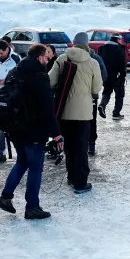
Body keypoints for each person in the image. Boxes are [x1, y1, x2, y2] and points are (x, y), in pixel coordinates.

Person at [0, 44, 62, 220]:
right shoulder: (40, 77)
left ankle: (6, 197)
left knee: (22, 162)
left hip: (15, 128)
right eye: (47, 58)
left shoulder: (15, 72)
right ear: (40, 57)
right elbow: (49, 109)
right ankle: (32, 207)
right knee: (35, 168)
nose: (48, 61)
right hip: (34, 130)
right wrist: (57, 134)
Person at [49, 32, 103, 194]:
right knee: (80, 148)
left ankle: (71, 177)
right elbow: (96, 88)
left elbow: (50, 81)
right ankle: (80, 183)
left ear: (73, 43)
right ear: (87, 45)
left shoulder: (62, 59)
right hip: (84, 113)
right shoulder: (93, 62)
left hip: (64, 111)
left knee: (69, 146)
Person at [0, 39, 22, 163]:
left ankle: (21, 154)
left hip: (12, 97)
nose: (0, 55)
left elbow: (21, 77)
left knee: (15, 125)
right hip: (0, 95)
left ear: (8, 49)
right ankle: (0, 152)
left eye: (2, 53)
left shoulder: (16, 59)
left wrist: (6, 82)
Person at [97, 34, 127, 120]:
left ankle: (102, 105)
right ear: (117, 40)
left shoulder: (102, 48)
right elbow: (122, 64)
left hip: (105, 75)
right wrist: (123, 75)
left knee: (106, 92)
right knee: (119, 94)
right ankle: (116, 114)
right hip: (117, 75)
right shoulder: (119, 49)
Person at [88, 44, 107, 156]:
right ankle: (90, 144)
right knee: (90, 120)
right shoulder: (96, 58)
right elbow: (104, 75)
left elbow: (104, 75)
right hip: (90, 95)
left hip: (89, 95)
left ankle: (90, 144)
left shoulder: (95, 58)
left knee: (88, 120)